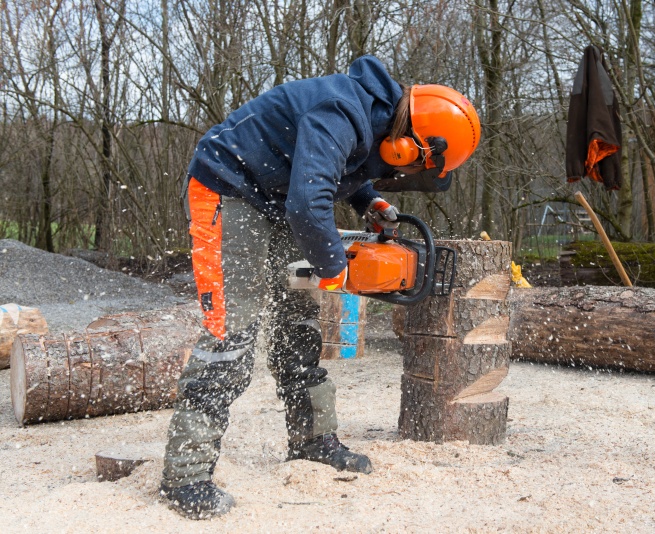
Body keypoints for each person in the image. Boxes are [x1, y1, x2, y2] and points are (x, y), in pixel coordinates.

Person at [159, 54, 481, 520]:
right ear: (408, 148)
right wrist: (335, 268)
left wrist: (369, 198)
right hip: (226, 187)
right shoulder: (341, 112)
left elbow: (332, 168)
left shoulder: (377, 118)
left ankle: (312, 439)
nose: (408, 175)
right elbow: (310, 204)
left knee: (298, 323)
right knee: (233, 326)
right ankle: (185, 475)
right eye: (413, 170)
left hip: (278, 196)